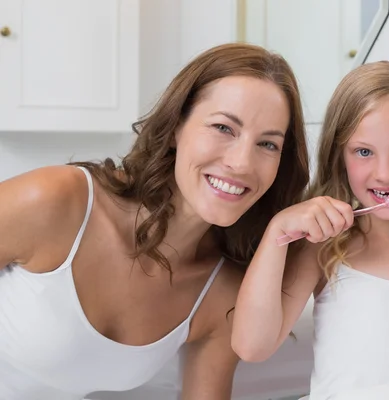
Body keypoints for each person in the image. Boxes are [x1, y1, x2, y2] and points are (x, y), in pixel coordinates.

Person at [0, 42, 309, 400]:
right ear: (177, 126)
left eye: (268, 145)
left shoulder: (221, 292)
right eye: (224, 128)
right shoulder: (57, 201)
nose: (241, 163)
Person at [231, 60, 389, 399]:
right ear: (340, 157)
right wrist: (279, 229)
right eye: (364, 152)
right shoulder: (324, 249)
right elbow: (251, 347)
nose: (385, 173)